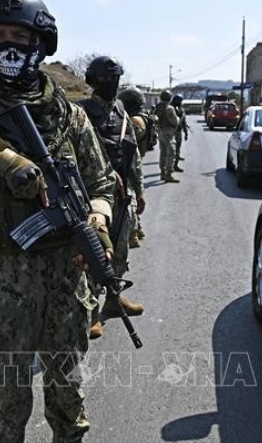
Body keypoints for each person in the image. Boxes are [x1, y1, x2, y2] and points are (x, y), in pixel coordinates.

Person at [0, 1, 117, 441]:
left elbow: (102, 182)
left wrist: (98, 220)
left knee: (68, 394)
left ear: (41, 44)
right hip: (4, 281)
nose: (7, 48)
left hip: (67, 278)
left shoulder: (69, 114)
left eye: (19, 38)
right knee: (7, 405)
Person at [78, 56, 145, 339]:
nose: (110, 85)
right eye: (104, 80)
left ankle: (114, 300)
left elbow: (132, 151)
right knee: (96, 253)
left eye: (114, 79)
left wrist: (138, 190)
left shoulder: (120, 110)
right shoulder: (81, 112)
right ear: (92, 82)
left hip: (122, 195)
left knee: (120, 250)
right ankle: (90, 312)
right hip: (94, 197)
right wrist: (104, 175)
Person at [118, 87, 155, 244]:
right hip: (134, 158)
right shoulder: (141, 116)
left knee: (130, 196)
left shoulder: (135, 120)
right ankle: (137, 227)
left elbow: (126, 139)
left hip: (131, 160)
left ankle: (132, 233)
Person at [154, 90, 180, 183]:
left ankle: (162, 173)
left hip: (160, 132)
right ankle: (168, 174)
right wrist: (178, 119)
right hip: (169, 132)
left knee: (163, 153)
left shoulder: (157, 107)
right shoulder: (170, 108)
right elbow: (175, 122)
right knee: (171, 154)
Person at [170, 94, 188, 173]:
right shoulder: (170, 109)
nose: (181, 102)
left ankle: (175, 165)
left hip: (178, 131)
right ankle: (170, 166)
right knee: (171, 150)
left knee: (177, 149)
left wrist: (186, 132)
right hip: (171, 132)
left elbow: (183, 122)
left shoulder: (180, 109)